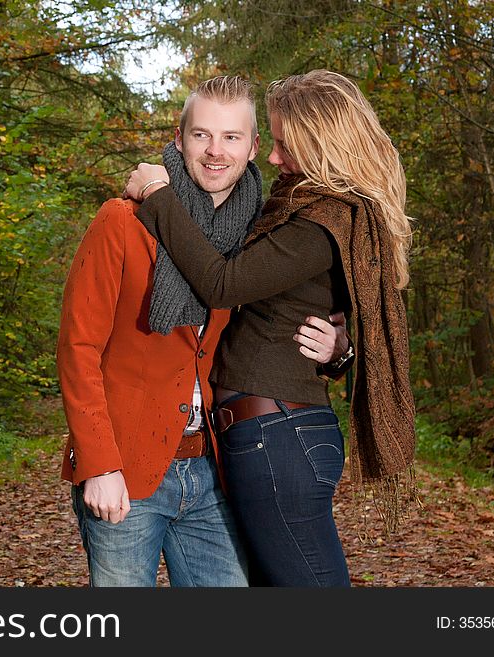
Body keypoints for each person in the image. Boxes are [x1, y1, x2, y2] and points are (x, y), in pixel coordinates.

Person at [125, 69, 416, 587]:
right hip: (271, 431)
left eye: (286, 145)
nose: (275, 158)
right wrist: (339, 349)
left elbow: (221, 282)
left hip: (277, 436)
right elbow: (330, 308)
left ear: (322, 143)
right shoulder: (302, 209)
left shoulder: (319, 223)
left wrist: (158, 195)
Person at [56, 75, 349, 587]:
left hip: (213, 469)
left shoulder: (257, 236)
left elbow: (290, 317)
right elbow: (78, 348)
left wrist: (338, 349)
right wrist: (98, 464)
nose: (216, 152)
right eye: (201, 135)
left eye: (232, 137)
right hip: (127, 467)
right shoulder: (122, 222)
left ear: (255, 148)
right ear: (179, 138)